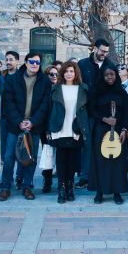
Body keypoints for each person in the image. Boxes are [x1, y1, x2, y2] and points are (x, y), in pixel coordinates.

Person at [0, 52, 51, 201]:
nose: (35, 65)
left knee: (30, 158)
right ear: (26, 62)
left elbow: (45, 105)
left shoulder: (45, 82)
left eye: (38, 62)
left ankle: (27, 187)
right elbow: (8, 102)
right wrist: (19, 121)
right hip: (15, 126)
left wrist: (32, 121)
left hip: (34, 126)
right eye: (32, 61)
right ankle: (5, 187)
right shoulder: (13, 79)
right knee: (8, 158)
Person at [47, 61, 89, 203]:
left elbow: (86, 112)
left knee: (72, 162)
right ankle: (61, 189)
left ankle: (70, 189)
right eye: (66, 71)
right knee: (61, 162)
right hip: (59, 129)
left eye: (71, 71)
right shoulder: (56, 88)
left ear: (76, 73)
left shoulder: (83, 88)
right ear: (62, 73)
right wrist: (49, 129)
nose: (69, 74)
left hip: (75, 130)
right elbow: (50, 110)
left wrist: (83, 129)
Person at [89, 66, 128, 204]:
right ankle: (100, 191)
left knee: (118, 162)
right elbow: (92, 110)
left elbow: (127, 112)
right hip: (101, 130)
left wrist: (124, 129)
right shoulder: (96, 91)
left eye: (112, 74)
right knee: (101, 161)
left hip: (118, 130)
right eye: (106, 75)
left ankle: (117, 192)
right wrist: (104, 119)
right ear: (102, 76)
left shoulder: (121, 92)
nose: (109, 77)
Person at [76, 39, 115, 188]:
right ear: (94, 48)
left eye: (106, 52)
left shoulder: (110, 66)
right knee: (87, 144)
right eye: (102, 51)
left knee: (102, 144)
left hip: (103, 113)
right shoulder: (82, 64)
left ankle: (100, 176)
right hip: (86, 110)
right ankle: (85, 176)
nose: (104, 54)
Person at [40, 65, 60, 193]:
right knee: (48, 154)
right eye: (51, 74)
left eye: (56, 74)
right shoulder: (42, 91)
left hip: (61, 128)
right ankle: (47, 181)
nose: (54, 76)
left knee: (61, 155)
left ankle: (62, 182)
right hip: (46, 128)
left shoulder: (62, 89)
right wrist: (47, 129)